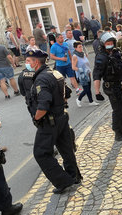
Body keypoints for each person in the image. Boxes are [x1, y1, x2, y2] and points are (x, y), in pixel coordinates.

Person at [22, 49, 82, 194]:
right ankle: (74, 176)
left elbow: (43, 104)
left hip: (49, 122)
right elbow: (66, 93)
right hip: (61, 117)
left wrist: (36, 118)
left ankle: (63, 181)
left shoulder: (41, 79)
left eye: (29, 61)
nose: (26, 64)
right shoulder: (54, 72)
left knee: (41, 153)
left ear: (36, 62)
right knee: (66, 149)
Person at [93, 32, 122, 142]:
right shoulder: (101, 57)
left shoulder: (115, 53)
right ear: (103, 44)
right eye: (108, 43)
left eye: (112, 43)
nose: (110, 44)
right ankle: (118, 133)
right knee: (117, 110)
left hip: (118, 84)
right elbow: (96, 75)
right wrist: (97, 92)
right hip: (110, 87)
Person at [72, 41, 99, 107]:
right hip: (82, 75)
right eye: (79, 47)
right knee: (86, 89)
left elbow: (86, 63)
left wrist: (89, 72)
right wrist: (80, 70)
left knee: (88, 88)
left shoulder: (83, 54)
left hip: (87, 73)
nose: (81, 48)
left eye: (81, 46)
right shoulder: (75, 56)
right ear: (75, 48)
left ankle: (91, 101)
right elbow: (73, 67)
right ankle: (79, 99)